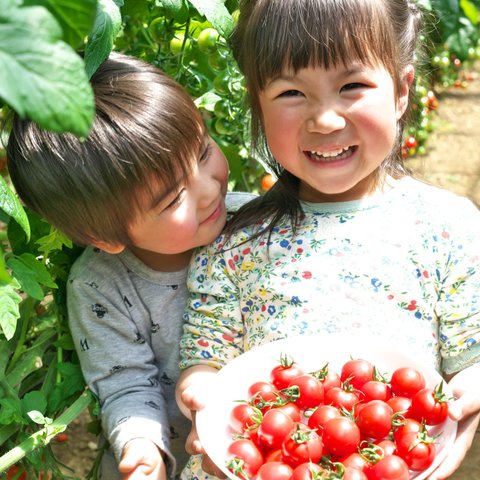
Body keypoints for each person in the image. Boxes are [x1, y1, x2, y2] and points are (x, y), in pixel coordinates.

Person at [176, 0, 480, 479]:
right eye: (292, 92)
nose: (325, 120)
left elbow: (472, 354)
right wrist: (202, 395)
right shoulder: (233, 237)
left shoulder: (447, 226)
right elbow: (206, 352)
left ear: (401, 92)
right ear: (257, 105)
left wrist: (465, 401)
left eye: (352, 86)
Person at [6, 52, 253, 480]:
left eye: (203, 151)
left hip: (275, 444)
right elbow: (125, 383)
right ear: (108, 238)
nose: (209, 188)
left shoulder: (259, 225)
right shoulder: (99, 286)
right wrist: (142, 448)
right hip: (181, 457)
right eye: (173, 198)